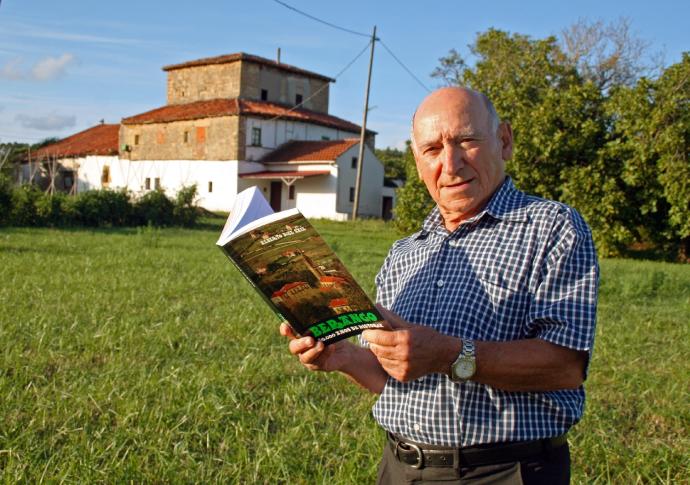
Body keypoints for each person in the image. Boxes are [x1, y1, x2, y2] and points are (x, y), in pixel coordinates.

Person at [280, 86, 599, 484]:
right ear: (417, 163)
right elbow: (390, 378)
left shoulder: (553, 228)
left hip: (505, 471)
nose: (450, 163)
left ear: (504, 141)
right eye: (432, 149)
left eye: (466, 141)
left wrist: (449, 355)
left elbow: (566, 366)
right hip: (401, 468)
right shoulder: (404, 253)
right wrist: (341, 358)